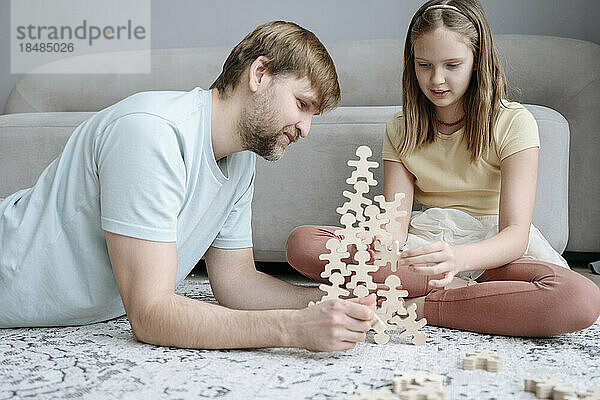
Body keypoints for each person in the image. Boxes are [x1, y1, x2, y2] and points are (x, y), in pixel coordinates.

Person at [0, 21, 376, 352]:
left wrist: (332, 303)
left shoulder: (241, 160)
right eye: (301, 104)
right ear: (259, 74)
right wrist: (293, 329)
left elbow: (238, 283)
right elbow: (151, 314)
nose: (305, 129)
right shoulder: (151, 132)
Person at [285, 0, 600, 337]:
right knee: (303, 244)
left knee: (579, 297)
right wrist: (380, 243)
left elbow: (515, 235)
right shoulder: (400, 128)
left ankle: (412, 307)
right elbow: (396, 226)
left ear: (478, 62)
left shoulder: (514, 122)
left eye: (452, 65)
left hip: (490, 251)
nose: (436, 79)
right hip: (423, 250)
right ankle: (467, 301)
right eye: (424, 65)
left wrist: (459, 260)